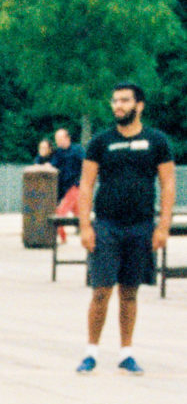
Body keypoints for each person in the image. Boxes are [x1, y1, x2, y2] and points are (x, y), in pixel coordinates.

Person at [75, 86, 175, 373]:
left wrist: (163, 226)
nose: (118, 106)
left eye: (125, 100)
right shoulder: (100, 142)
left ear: (139, 105)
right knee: (101, 290)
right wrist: (85, 226)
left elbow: (167, 184)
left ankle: (126, 353)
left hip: (141, 226)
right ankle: (91, 352)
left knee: (130, 292)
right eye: (115, 101)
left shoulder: (157, 141)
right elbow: (86, 184)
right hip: (106, 226)